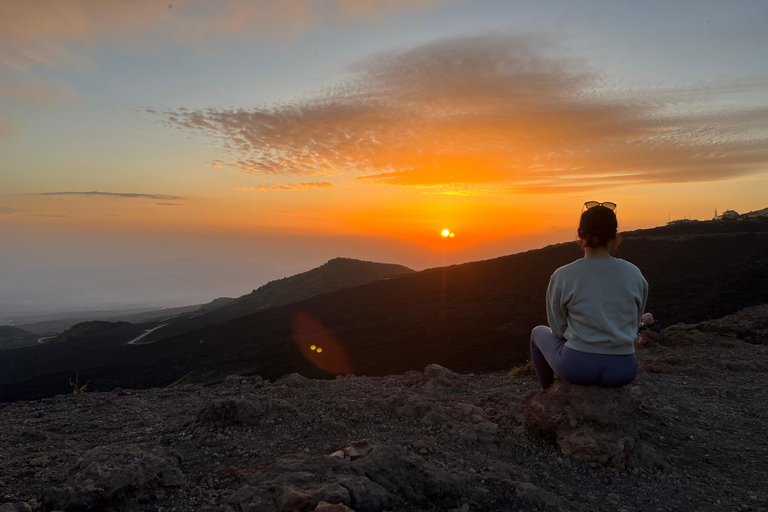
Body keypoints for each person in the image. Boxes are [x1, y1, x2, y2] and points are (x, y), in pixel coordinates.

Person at [529, 202, 648, 390]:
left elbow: (558, 329)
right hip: (624, 369)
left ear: (580, 234)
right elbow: (634, 325)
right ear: (615, 237)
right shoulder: (634, 273)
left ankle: (547, 392)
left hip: (577, 367)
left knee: (537, 332)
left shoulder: (563, 275)